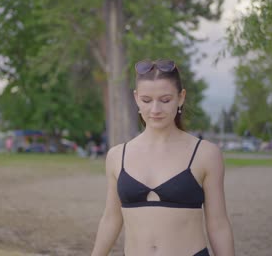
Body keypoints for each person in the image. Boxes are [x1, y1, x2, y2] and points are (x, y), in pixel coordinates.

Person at [91, 59, 235, 256]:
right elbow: (111, 219)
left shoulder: (206, 154)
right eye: (147, 100)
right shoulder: (117, 155)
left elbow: (218, 225)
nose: (155, 110)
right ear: (136, 98)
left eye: (165, 100)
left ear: (181, 97)